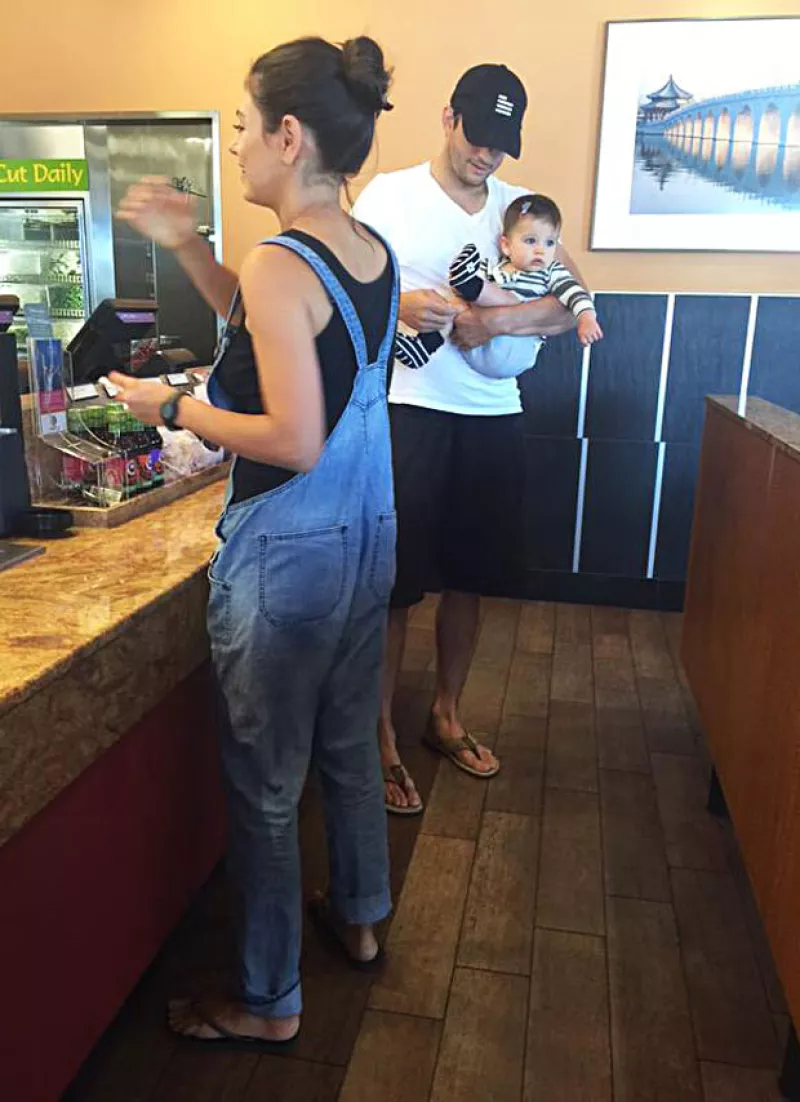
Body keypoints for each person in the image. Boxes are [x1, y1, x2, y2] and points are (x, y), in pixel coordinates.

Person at [110, 35, 398, 1047]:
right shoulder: (363, 246)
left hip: (288, 558)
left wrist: (172, 407)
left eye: (241, 125)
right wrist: (193, 249)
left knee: (268, 788)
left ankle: (270, 1001)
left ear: (288, 136)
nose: (233, 144)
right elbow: (282, 332)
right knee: (347, 747)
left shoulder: (283, 261)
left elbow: (294, 435)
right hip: (367, 534)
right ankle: (359, 919)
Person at [353, 63, 590, 814]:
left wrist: (491, 321)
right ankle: (380, 737)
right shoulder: (389, 195)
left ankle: (446, 715)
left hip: (494, 413)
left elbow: (573, 303)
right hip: (409, 408)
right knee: (394, 586)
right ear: (448, 117)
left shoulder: (519, 212)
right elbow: (348, 290)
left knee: (471, 578)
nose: (486, 155)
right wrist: (400, 305)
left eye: (500, 144)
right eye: (478, 137)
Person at [396, 192, 603, 372]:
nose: (541, 250)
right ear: (506, 245)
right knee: (455, 305)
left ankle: (470, 284)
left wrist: (587, 318)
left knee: (509, 300)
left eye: (550, 243)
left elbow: (577, 295)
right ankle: (424, 347)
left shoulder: (552, 272)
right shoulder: (496, 268)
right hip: (473, 347)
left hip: (515, 348)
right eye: (530, 241)